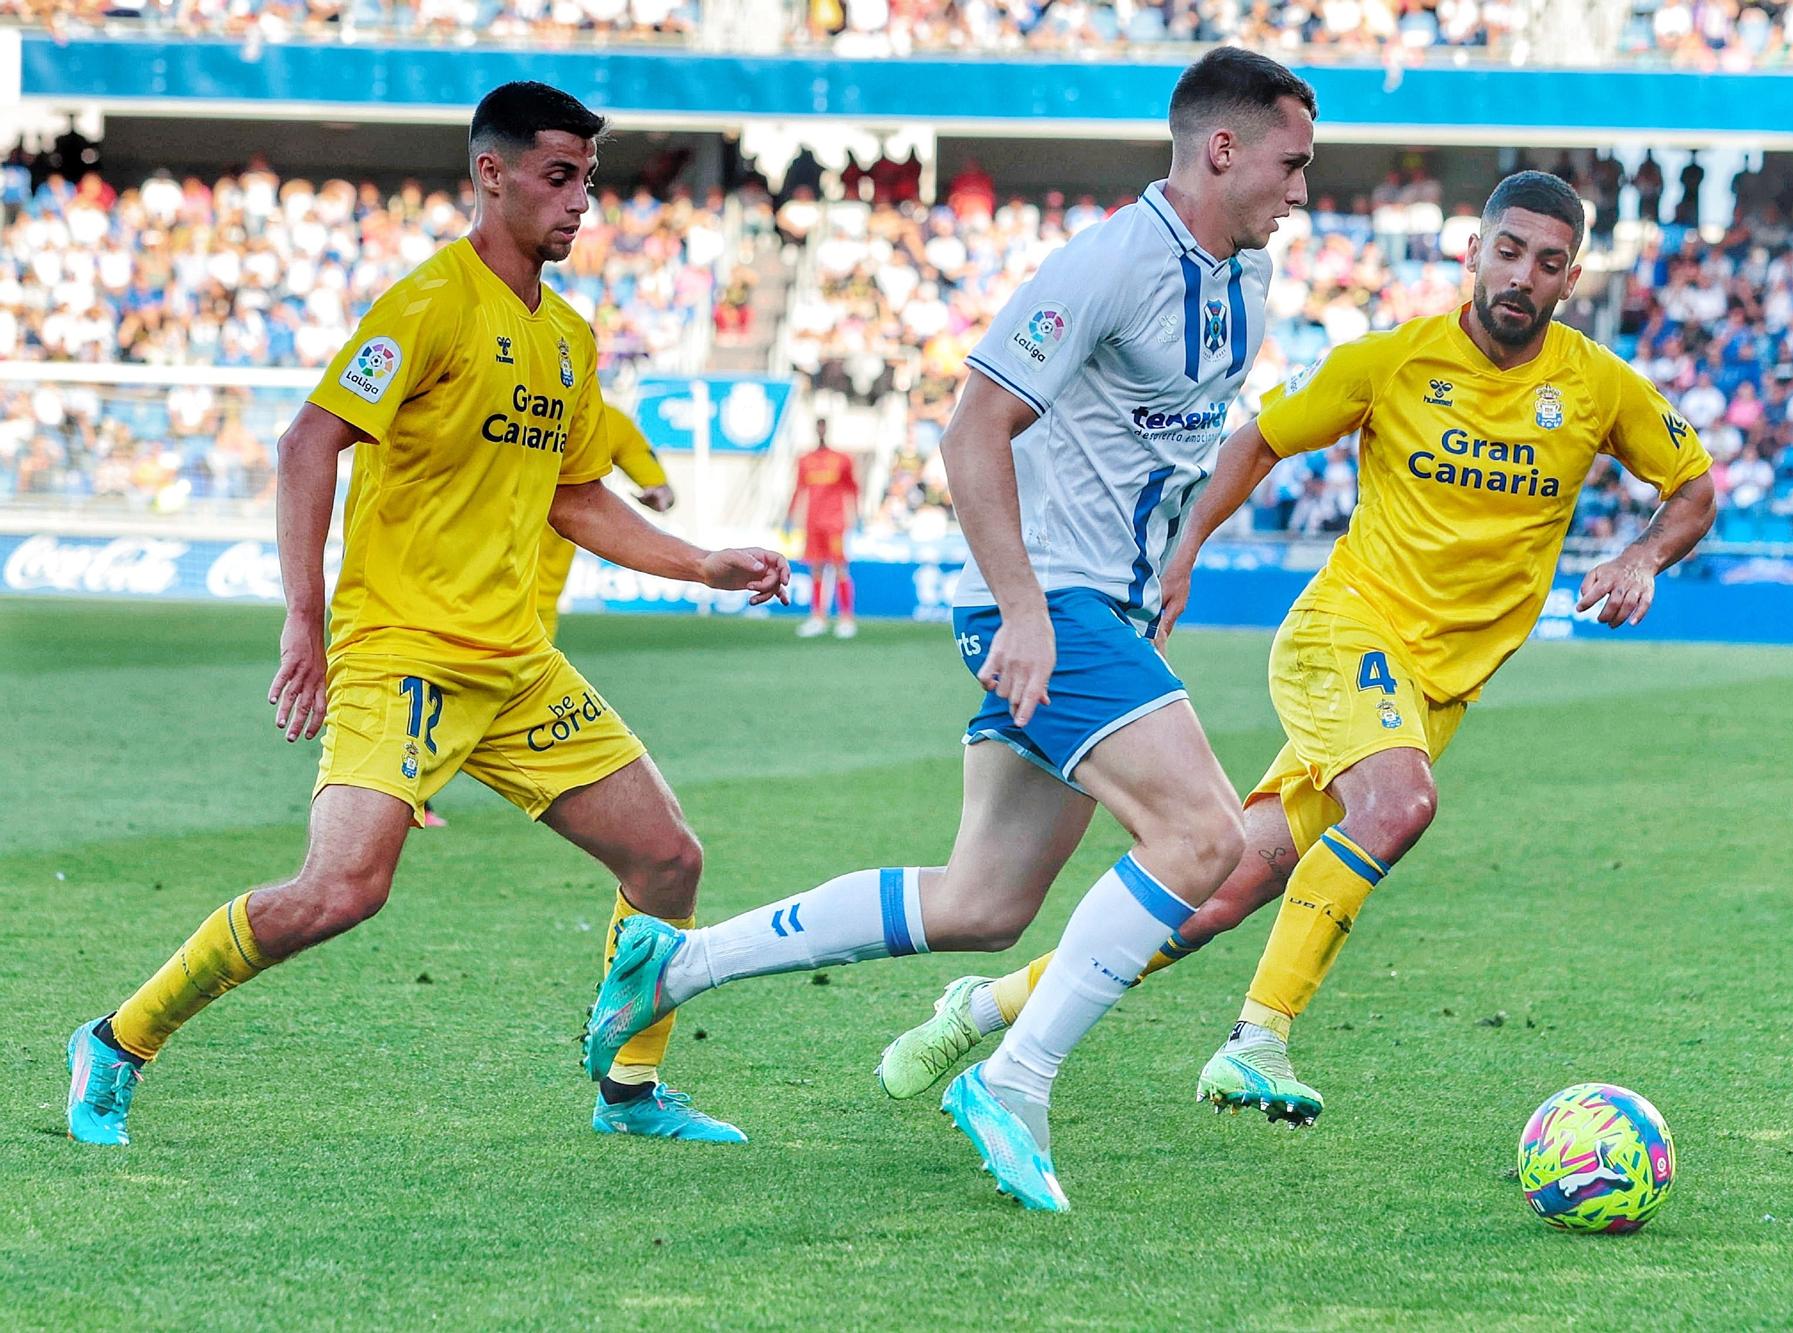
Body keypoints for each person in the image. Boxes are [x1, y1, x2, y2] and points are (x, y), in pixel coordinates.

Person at [580, 47, 1317, 1212]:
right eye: (1290, 163)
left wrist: (1167, 565)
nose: (1301, 188)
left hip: (1100, 604)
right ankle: (1013, 1083)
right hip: (1044, 601)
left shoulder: (1246, 286)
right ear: (1220, 148)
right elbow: (971, 428)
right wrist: (1025, 608)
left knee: (982, 902)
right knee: (1205, 837)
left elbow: (1151, 453)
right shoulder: (1110, 262)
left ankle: (681, 961)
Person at [878, 171, 1716, 1128]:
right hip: (1344, 636)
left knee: (1217, 893)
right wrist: (1181, 553)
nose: (1523, 276)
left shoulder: (1599, 385)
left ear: (1572, 282)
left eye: (1550, 263)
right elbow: (1257, 441)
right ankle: (1256, 1042)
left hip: (1431, 689)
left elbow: (1693, 483)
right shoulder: (1390, 361)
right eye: (1510, 251)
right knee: (1399, 803)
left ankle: (979, 1008)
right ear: (1473, 254)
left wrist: (1643, 554)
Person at [63, 82, 789, 1149]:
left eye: (587, 180)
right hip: (403, 650)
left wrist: (704, 564)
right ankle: (117, 1039)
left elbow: (572, 492)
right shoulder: (430, 303)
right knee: (339, 890)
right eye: (557, 177)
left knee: (668, 859)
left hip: (515, 666)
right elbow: (307, 442)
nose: (579, 201)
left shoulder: (568, 338)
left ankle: (628, 1093)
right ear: (490, 175)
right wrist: (303, 623)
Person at [537, 403, 675, 638]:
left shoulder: (607, 421)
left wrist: (660, 494)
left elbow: (661, 488)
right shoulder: (498, 400)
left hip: (540, 598)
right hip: (472, 589)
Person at [788, 419, 860, 639]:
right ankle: (818, 617)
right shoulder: (805, 460)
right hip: (813, 523)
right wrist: (790, 515)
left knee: (839, 567)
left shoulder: (841, 459)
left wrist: (856, 514)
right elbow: (799, 489)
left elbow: (852, 488)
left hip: (834, 523)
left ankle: (846, 618)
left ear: (827, 429)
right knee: (816, 568)